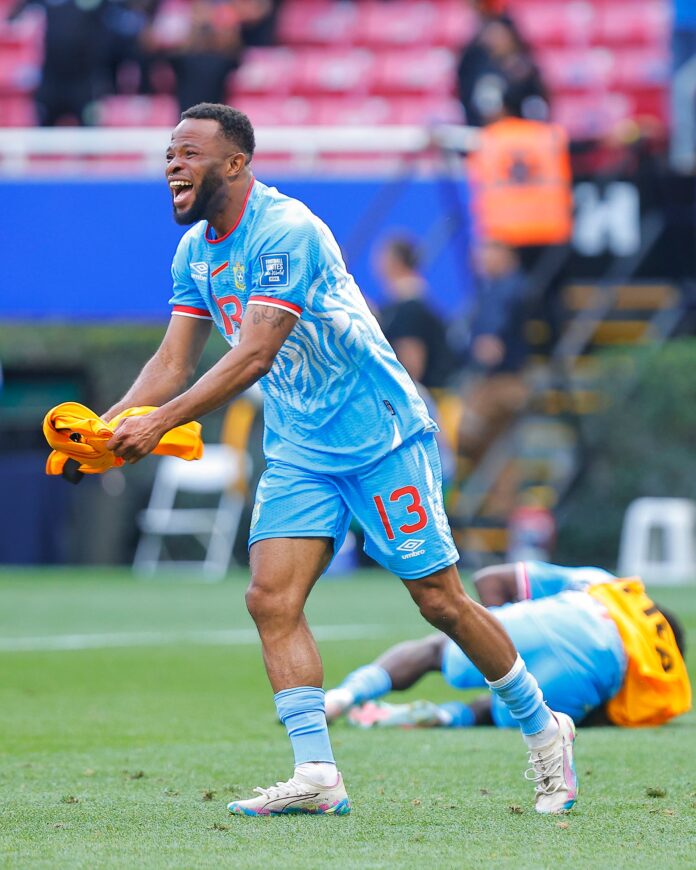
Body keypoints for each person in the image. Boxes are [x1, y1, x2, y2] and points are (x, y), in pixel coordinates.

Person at [103, 102, 578, 817]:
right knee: (270, 598)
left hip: (381, 437)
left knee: (439, 601)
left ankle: (544, 728)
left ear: (236, 162)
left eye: (190, 152)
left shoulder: (285, 230)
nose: (173, 163)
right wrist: (107, 428)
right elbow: (172, 362)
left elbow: (254, 355)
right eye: (170, 153)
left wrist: (161, 423)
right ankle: (318, 775)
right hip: (300, 448)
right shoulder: (195, 252)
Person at [326, 561, 691, 732]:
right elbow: (606, 717)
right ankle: (443, 717)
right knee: (514, 705)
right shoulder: (662, 680)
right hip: (595, 674)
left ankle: (344, 696)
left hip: (573, 617)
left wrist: (491, 642)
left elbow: (491, 578)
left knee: (436, 651)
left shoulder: (612, 585)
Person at [376, 236, 452, 391]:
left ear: (394, 263)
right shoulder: (406, 303)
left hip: (426, 395)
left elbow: (412, 366)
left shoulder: (409, 308)